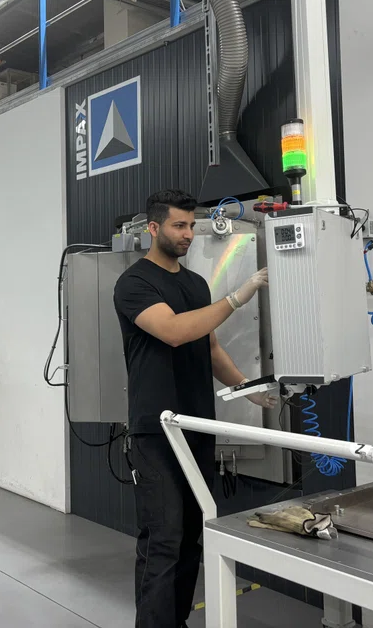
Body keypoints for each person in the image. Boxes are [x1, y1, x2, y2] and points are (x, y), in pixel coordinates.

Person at [113, 188, 276, 628]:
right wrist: (238, 298)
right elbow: (173, 331)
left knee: (191, 538)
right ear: (154, 228)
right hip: (157, 432)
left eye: (190, 225)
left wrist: (247, 389)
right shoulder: (134, 284)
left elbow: (210, 347)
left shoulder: (195, 283)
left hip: (198, 425)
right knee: (163, 538)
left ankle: (176, 621)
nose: (188, 234)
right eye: (178, 226)